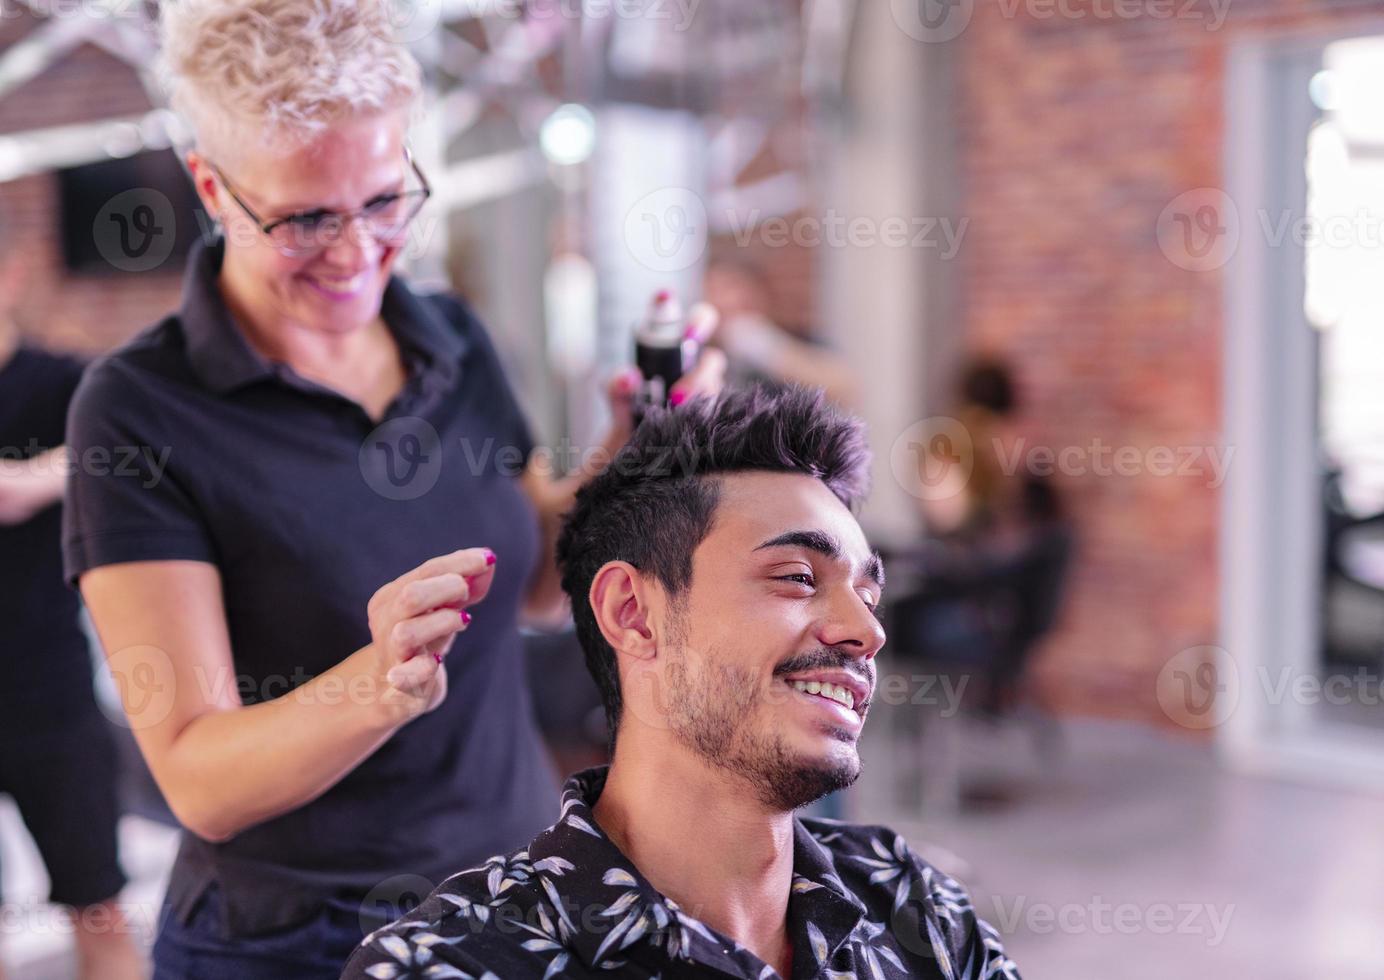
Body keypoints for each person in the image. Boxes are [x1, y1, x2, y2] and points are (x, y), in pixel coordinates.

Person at [61, 3, 723, 977]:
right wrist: (378, 682)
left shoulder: (450, 336)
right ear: (211, 186)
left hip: (510, 900)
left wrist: (631, 451)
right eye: (304, 217)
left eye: (383, 200)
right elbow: (197, 774)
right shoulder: (139, 412)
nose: (355, 249)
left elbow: (538, 579)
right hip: (298, 940)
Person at [342, 386, 1021, 980]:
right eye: (798, 578)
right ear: (634, 614)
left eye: (868, 595)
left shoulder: (916, 909)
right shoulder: (455, 963)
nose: (866, 632)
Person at [0, 226, 144, 979]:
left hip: (48, 691)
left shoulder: (67, 384)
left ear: (13, 271)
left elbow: (118, 453)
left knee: (98, 906)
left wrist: (34, 480)